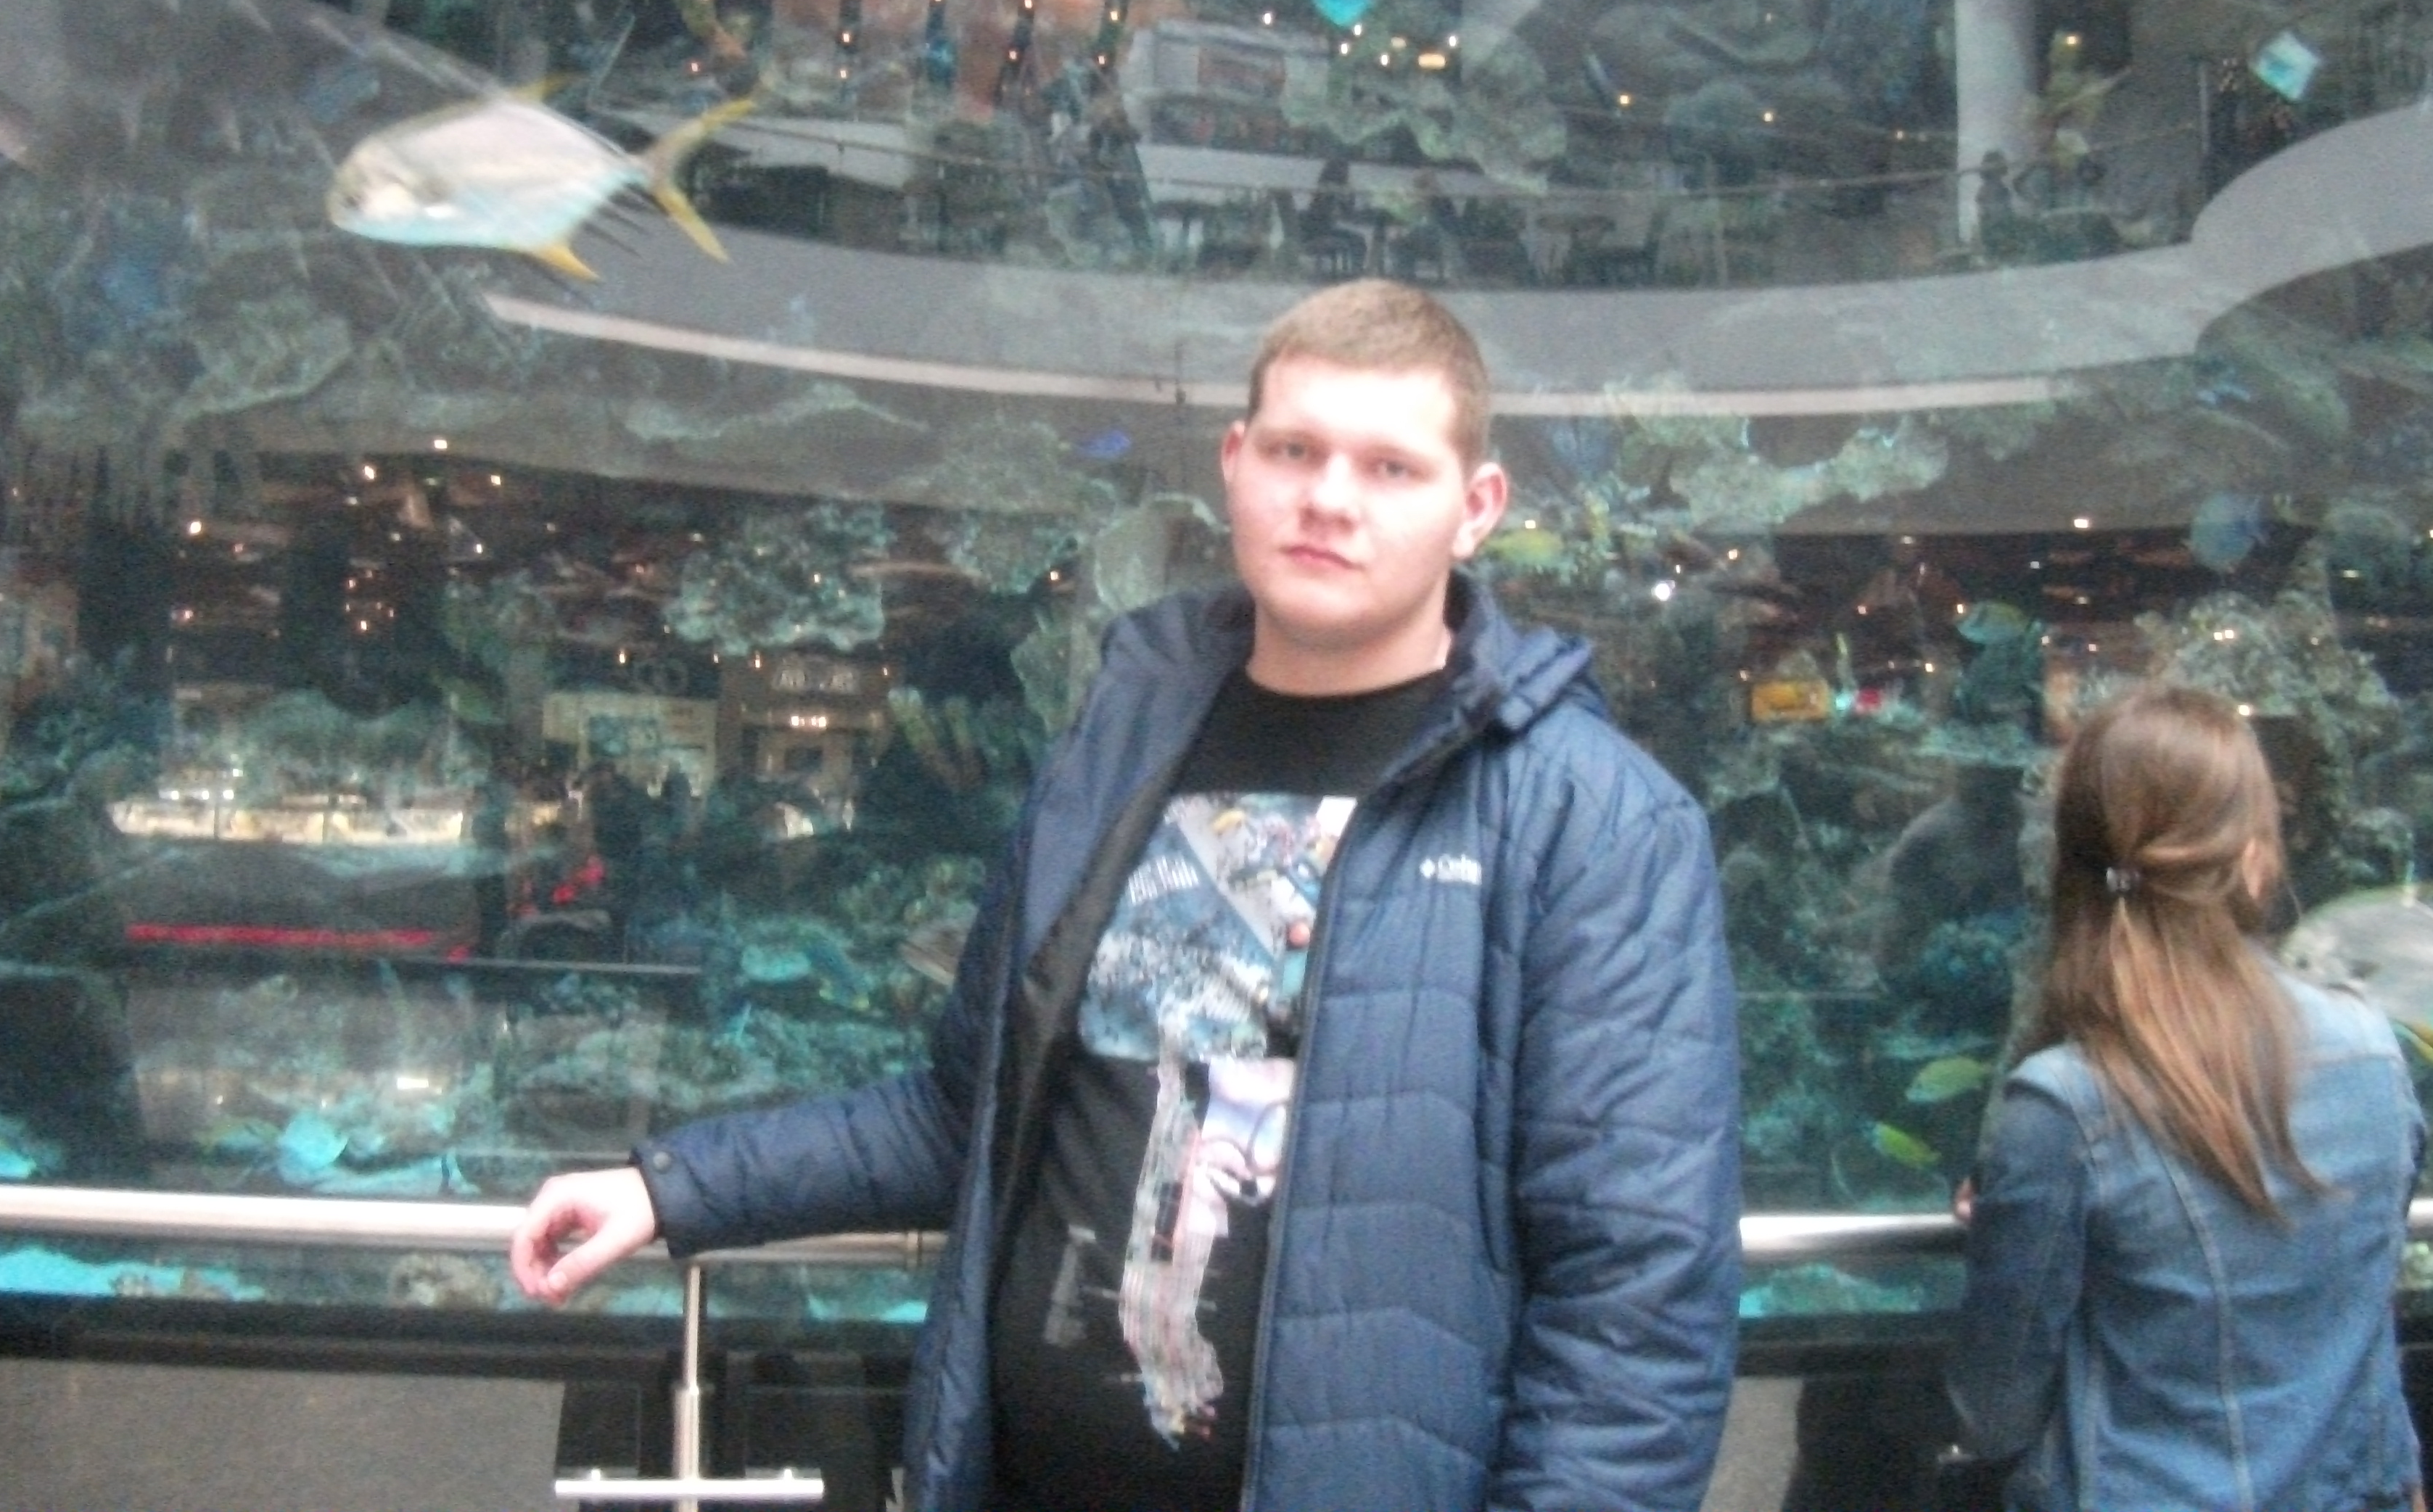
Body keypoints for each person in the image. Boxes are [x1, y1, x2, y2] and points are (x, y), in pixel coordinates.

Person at [510, 278, 1745, 1511]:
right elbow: (968, 1112)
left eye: (1391, 467)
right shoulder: (1114, 755)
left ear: (1476, 508)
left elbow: (1635, 1300)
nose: (1329, 497)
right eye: (1296, 450)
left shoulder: (1596, 823)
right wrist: (675, 1186)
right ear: (1234, 462)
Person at [1946, 682, 2424, 1512]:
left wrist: (2015, 1223)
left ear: (2069, 866)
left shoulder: (2062, 1106)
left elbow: (1992, 1412)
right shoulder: (2372, 1052)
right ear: (2255, 858)